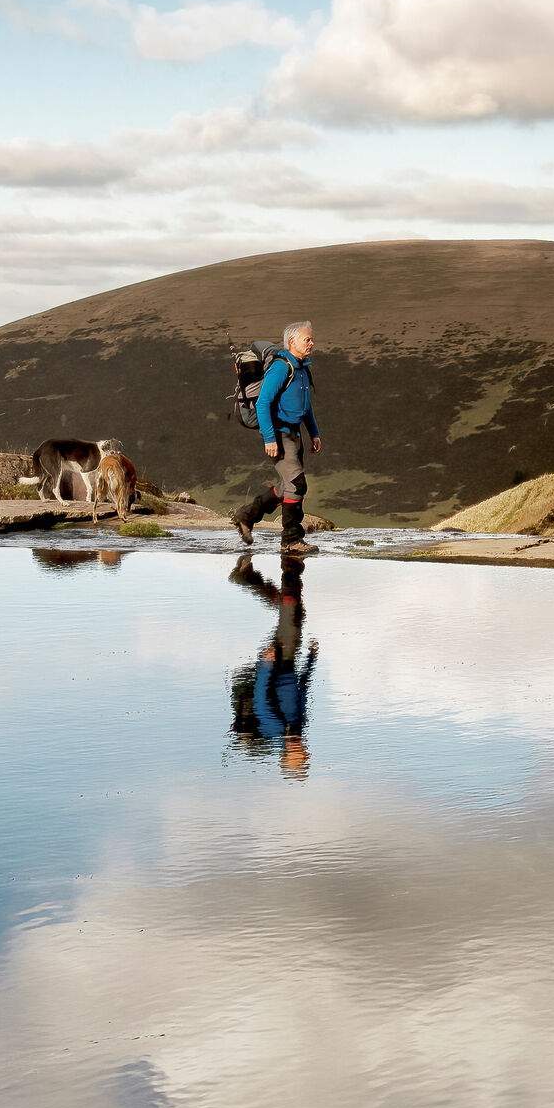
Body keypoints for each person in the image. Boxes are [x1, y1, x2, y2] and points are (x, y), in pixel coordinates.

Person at [231, 320, 323, 554]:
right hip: (279, 433)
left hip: (294, 434)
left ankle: (247, 515)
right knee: (297, 484)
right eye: (307, 339)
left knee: (288, 486)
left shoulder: (301, 367)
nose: (312, 343)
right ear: (292, 342)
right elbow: (263, 403)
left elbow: (306, 405)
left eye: (311, 339)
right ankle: (291, 540)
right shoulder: (282, 368)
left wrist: (314, 433)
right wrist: (269, 439)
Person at [227, 553, 314, 777]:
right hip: (289, 663)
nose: (303, 751)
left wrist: (265, 665)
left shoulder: (273, 729)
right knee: (294, 613)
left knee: (291, 612)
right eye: (304, 755)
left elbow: (261, 698)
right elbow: (302, 691)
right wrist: (312, 659)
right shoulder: (298, 727)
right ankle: (257, 575)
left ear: (286, 755)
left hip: (275, 663)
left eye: (299, 756)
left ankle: (289, 565)